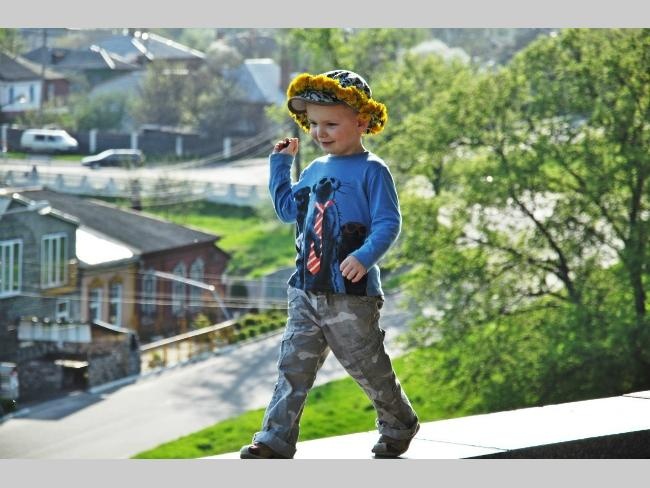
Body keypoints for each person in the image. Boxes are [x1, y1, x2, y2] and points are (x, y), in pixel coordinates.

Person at [240, 70, 419, 459]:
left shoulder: (373, 170)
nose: (320, 133)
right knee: (292, 367)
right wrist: (279, 164)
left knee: (368, 367)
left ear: (362, 121)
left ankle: (399, 424)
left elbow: (388, 223)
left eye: (331, 124)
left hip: (350, 295)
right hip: (305, 289)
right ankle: (274, 439)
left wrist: (364, 256)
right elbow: (288, 210)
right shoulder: (314, 170)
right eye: (314, 124)